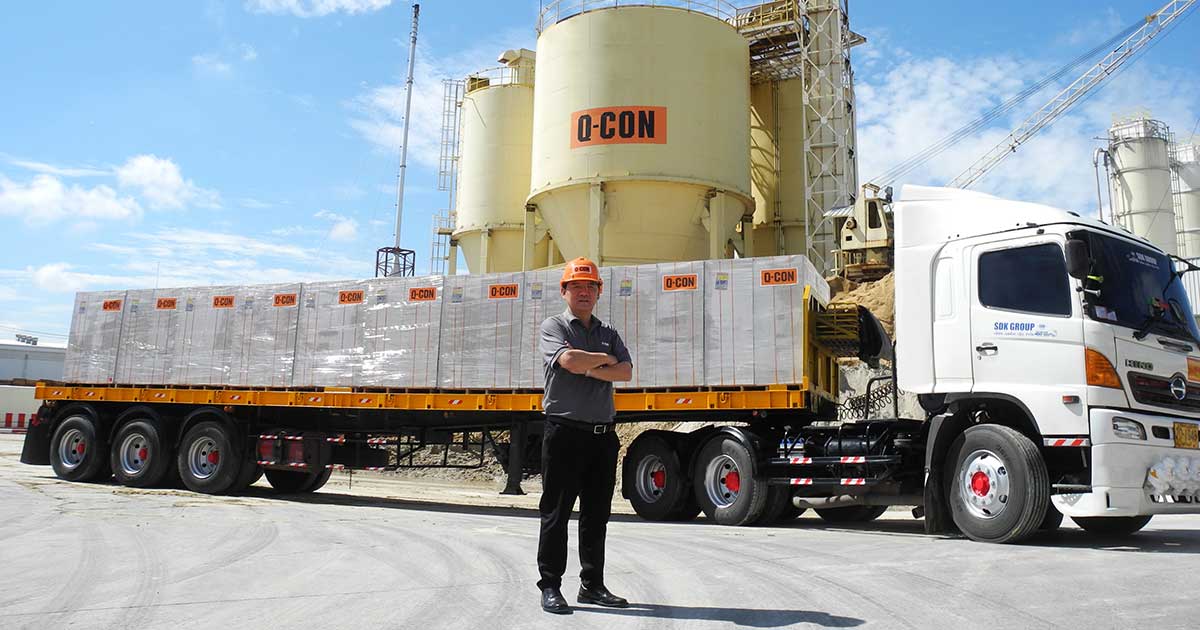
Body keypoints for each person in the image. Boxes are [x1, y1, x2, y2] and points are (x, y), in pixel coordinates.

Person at [536, 257, 633, 615]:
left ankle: (592, 585)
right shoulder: (554, 326)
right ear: (564, 291)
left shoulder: (609, 332)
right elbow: (568, 362)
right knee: (556, 513)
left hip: (601, 437)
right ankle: (550, 586)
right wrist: (602, 361)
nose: (584, 292)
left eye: (590, 286)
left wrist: (589, 367)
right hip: (564, 433)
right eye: (576, 286)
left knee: (596, 515)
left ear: (599, 292)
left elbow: (625, 372)